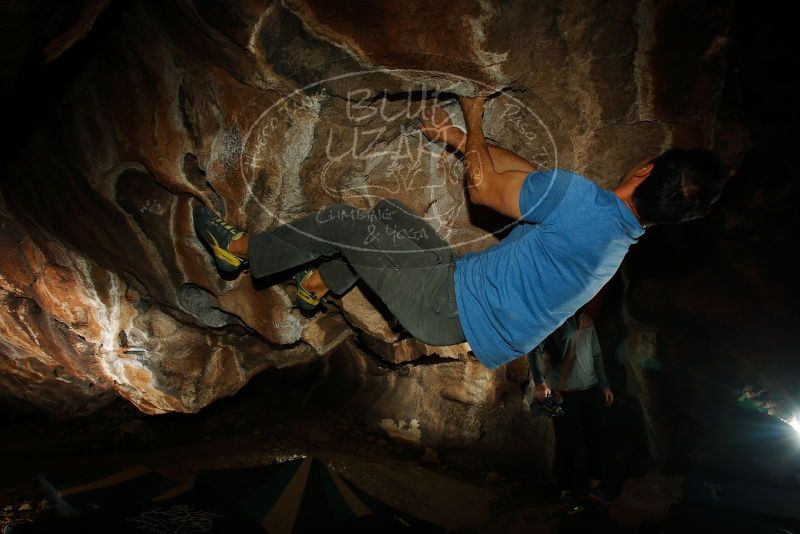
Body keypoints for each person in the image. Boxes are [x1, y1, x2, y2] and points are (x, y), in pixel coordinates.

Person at [192, 96, 727, 367]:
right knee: (390, 217)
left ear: (646, 170)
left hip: (448, 305)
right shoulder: (616, 233)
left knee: (344, 223)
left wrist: (471, 117)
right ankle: (315, 287)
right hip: (467, 297)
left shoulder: (588, 206)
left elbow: (484, 190)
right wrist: (454, 135)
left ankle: (236, 251)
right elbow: (527, 179)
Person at [529, 308, 614, 514]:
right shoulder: (554, 320)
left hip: (590, 389)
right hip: (565, 393)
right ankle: (565, 492)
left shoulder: (587, 320)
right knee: (567, 442)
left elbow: (596, 354)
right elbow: (534, 350)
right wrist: (540, 382)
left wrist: (604, 384)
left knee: (597, 438)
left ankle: (595, 486)